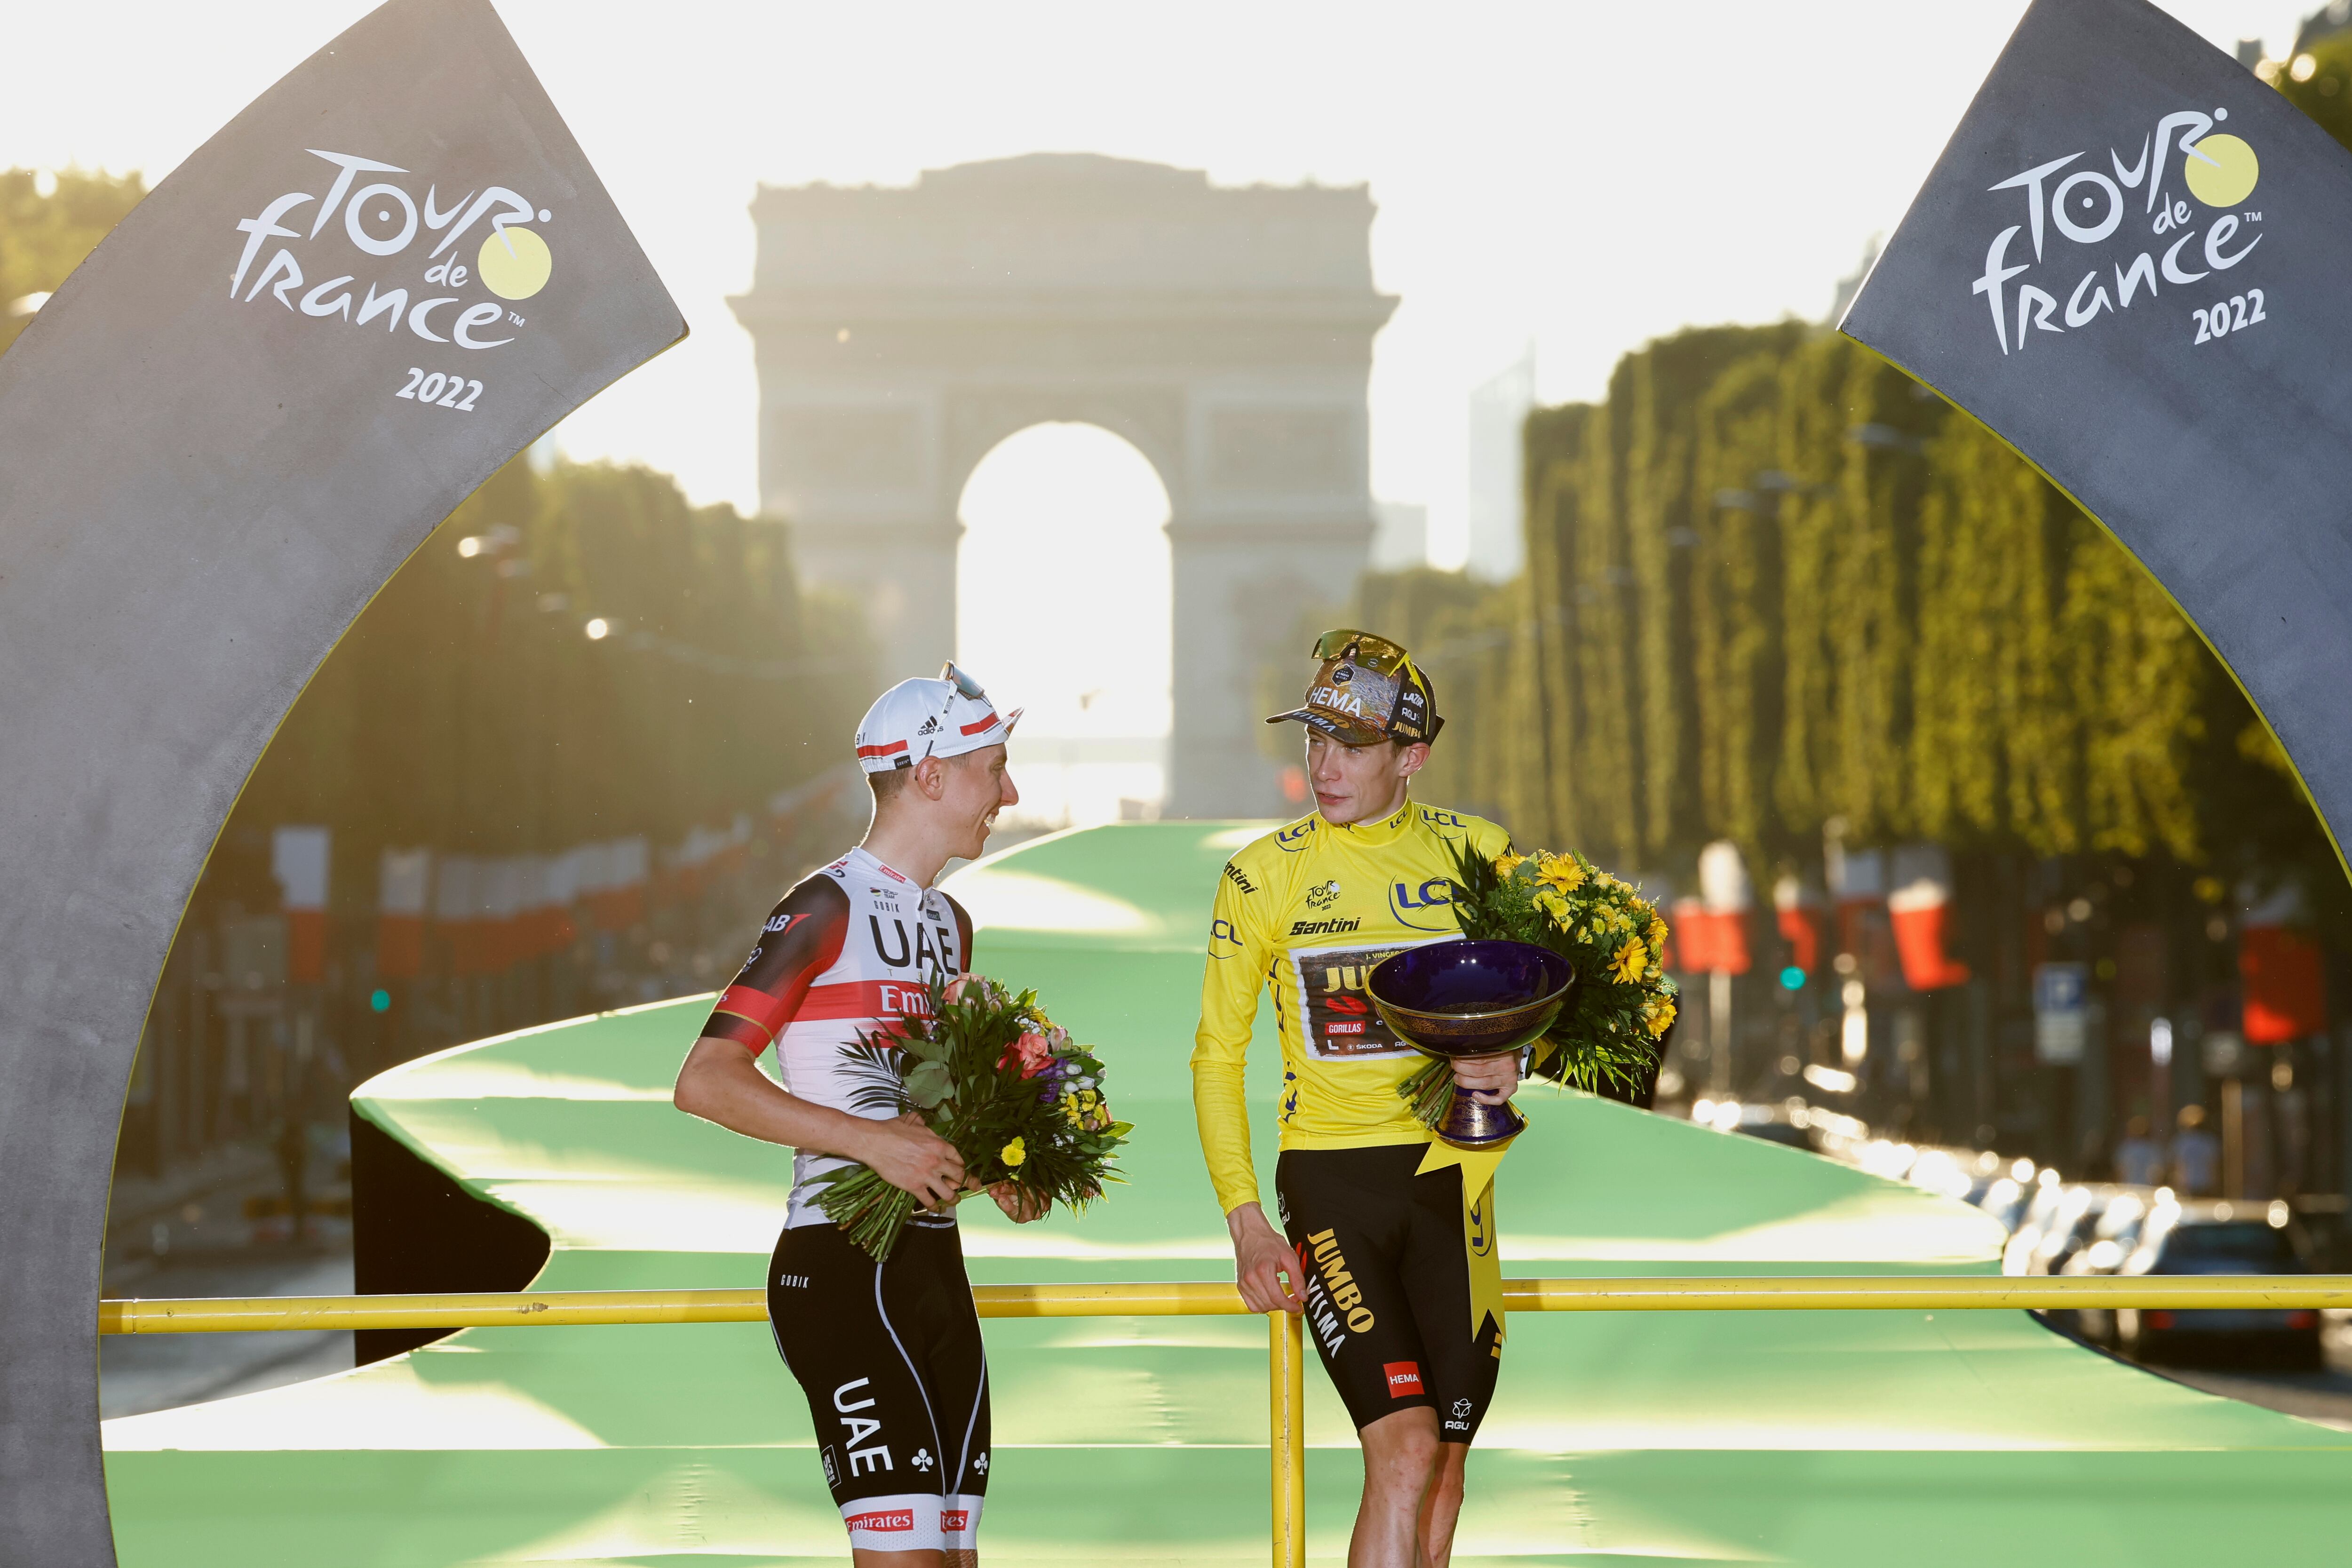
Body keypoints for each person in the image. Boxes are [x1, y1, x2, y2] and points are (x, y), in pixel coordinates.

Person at [674, 664, 1041, 1568]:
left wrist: (1003, 1164)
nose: (1011, 790)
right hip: (843, 1266)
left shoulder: (951, 924)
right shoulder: (823, 904)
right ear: (931, 774)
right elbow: (707, 1079)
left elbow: (927, 1113)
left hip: (932, 1266)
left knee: (955, 1559)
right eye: (995, 766)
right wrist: (873, 1142)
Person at [1192, 629, 1517, 1568]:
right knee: (1406, 1448)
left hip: (1456, 1183)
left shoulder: (1479, 853)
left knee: (1445, 1477)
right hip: (1334, 1184)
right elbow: (1216, 1056)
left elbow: (1540, 1003)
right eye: (1312, 740)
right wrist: (1247, 1221)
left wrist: (1515, 1060)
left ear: (1410, 756)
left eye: (1351, 745)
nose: (1323, 765)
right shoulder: (1261, 873)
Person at [2172, 1102, 2221, 1195]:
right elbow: (2214, 1166)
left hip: (2186, 1185)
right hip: (2205, 1184)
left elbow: (2176, 1166)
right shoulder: (2209, 1141)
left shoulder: (2181, 1142)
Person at [2113, 1114, 2165, 1188]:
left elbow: (2120, 1171)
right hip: (2140, 1187)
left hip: (2135, 1187)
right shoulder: (2152, 1148)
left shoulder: (2127, 1148)